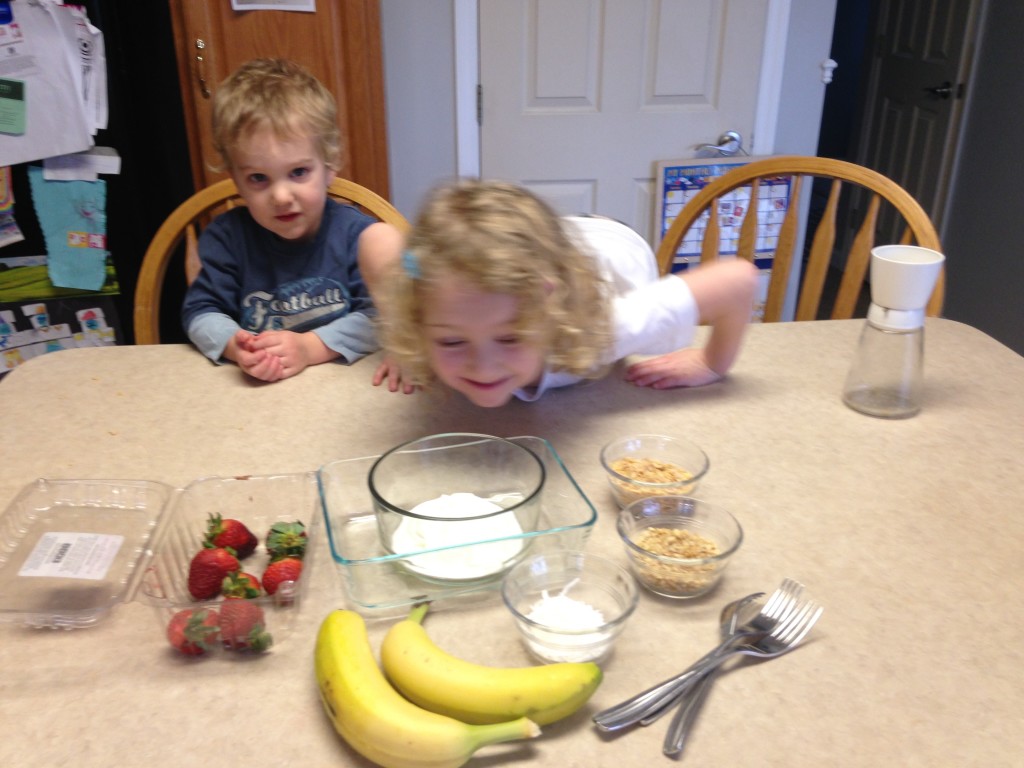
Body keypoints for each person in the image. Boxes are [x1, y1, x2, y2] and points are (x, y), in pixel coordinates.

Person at [374, 179, 758, 408]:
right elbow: (375, 245)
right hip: (552, 243)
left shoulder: (602, 329)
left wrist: (711, 364)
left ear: (550, 309)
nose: (482, 365)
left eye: (510, 337)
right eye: (453, 340)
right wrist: (402, 342)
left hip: (611, 242)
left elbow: (738, 281)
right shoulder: (425, 305)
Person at [181, 58, 402, 382]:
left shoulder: (358, 239)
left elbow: (383, 319)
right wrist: (235, 345)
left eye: (298, 172)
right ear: (236, 180)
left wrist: (309, 348)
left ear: (329, 166)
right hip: (258, 399)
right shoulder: (226, 239)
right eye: (258, 178)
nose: (281, 196)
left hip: (344, 391)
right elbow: (200, 312)